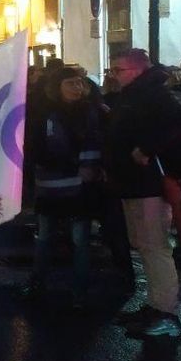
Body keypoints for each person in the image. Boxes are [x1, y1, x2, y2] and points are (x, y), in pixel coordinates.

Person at [104, 49, 181, 337]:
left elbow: (178, 125)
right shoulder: (135, 93)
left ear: (137, 70)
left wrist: (146, 149)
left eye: (118, 70)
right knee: (145, 244)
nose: (113, 75)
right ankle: (155, 305)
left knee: (155, 246)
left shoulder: (153, 95)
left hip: (148, 184)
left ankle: (167, 314)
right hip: (133, 182)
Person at [22, 68, 103, 308]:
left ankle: (80, 289)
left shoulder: (91, 111)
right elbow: (34, 148)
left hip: (80, 186)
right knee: (45, 236)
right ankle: (38, 282)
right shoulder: (43, 113)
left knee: (80, 239)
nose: (77, 88)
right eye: (71, 83)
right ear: (57, 86)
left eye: (79, 83)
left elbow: (96, 142)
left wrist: (90, 168)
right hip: (50, 185)